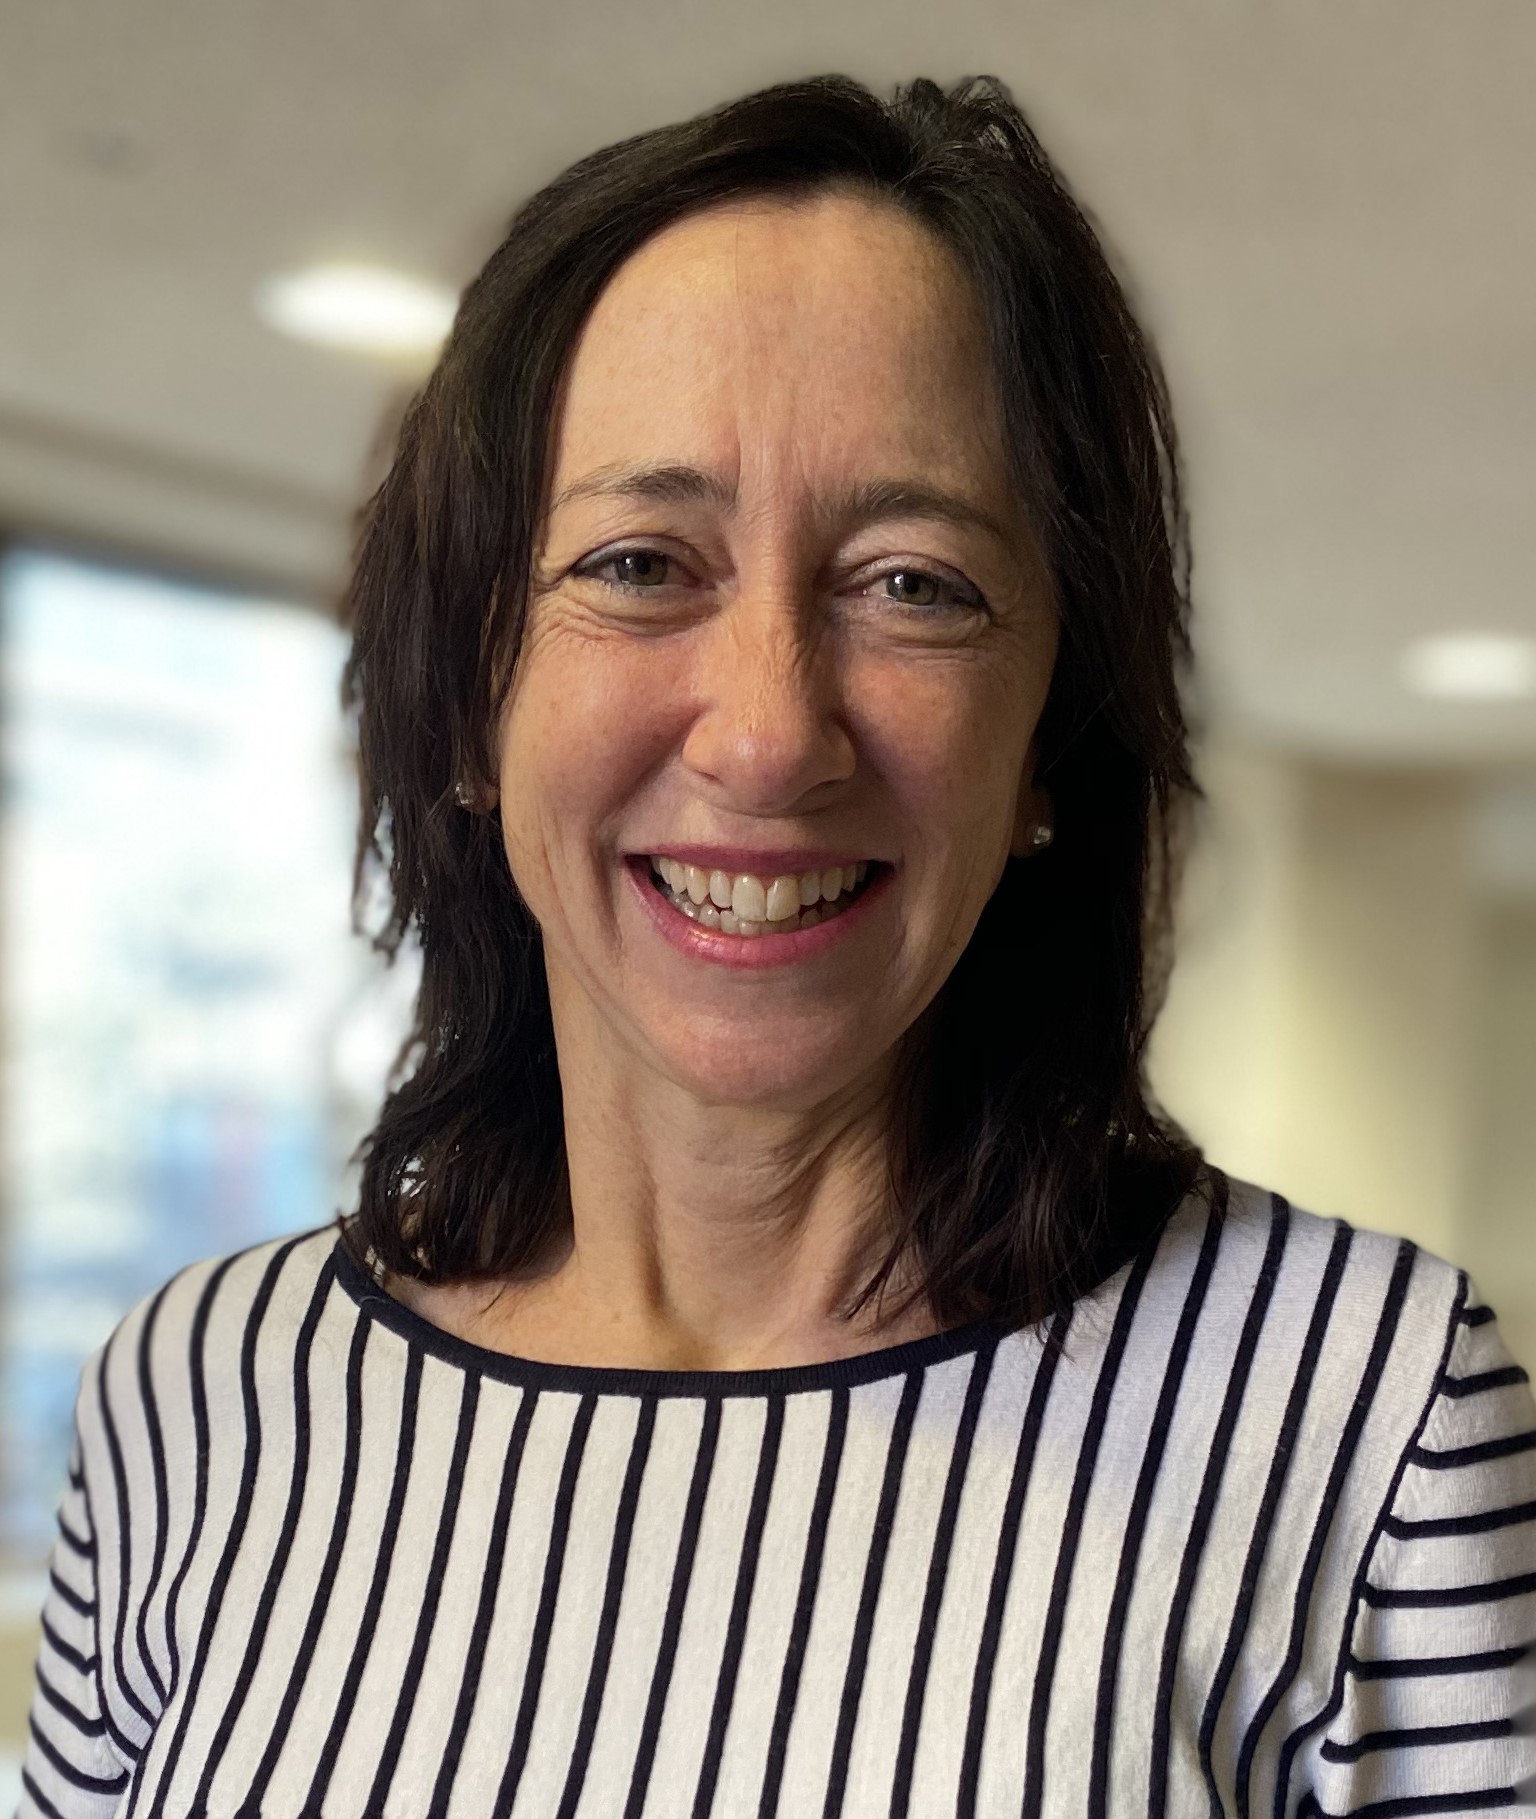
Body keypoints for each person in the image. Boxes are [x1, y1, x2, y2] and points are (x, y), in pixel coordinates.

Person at [21, 74, 1535, 1819]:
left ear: (1049, 745)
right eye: (640, 563)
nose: (765, 736)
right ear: (469, 702)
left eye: (915, 585)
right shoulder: (200, 1398)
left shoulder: (1366, 1417)